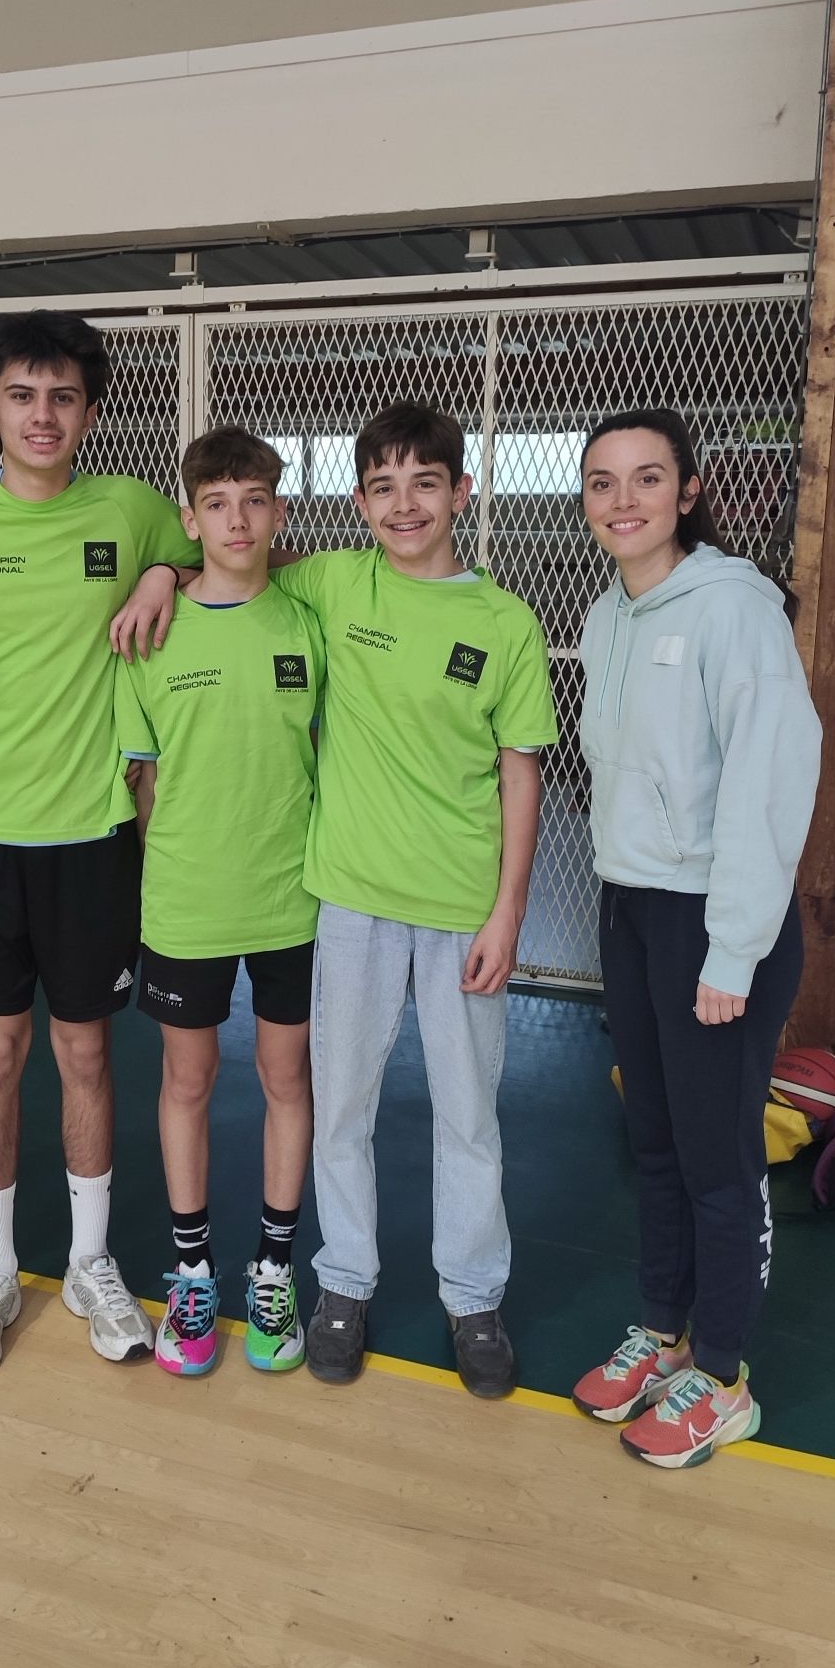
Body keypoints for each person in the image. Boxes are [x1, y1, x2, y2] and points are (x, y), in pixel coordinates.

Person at [118, 400, 558, 1395]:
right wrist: (161, 572)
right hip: (347, 898)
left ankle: (472, 1296)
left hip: (460, 905)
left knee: (467, 1115)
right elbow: (231, 560)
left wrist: (508, 911)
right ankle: (343, 1283)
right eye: (384, 487)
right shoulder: (330, 582)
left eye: (425, 484)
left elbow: (521, 771)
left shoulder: (506, 623)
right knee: (341, 1106)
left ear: (462, 491)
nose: (405, 506)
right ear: (359, 502)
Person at [0, 312, 199, 1380]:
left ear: (90, 410)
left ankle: (86, 1260)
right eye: (22, 396)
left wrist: (163, 575)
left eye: (63, 396)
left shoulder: (130, 507)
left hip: (92, 831)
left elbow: (207, 554)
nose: (42, 415)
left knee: (84, 1053)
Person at [571, 409, 820, 1467]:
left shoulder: (734, 609)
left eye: (646, 477)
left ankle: (720, 1376)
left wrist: (734, 950)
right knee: (656, 1141)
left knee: (719, 1158)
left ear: (687, 490)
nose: (623, 499)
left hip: (713, 918)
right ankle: (662, 1332)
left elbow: (771, 783)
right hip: (631, 906)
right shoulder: (608, 613)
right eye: (602, 481)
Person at [115, 427, 324, 1377]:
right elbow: (145, 784)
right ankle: (192, 1272)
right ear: (189, 517)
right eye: (217, 503)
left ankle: (274, 1270)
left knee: (287, 1079)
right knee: (188, 1081)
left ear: (278, 512)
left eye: (255, 500)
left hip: (294, 898)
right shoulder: (150, 634)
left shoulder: (308, 619)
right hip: (188, 901)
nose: (237, 520)